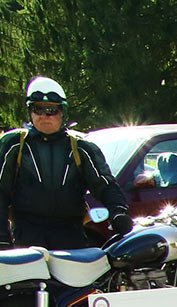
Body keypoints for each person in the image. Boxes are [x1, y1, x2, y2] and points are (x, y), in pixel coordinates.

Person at [0, 76, 130, 250]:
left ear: (62, 112)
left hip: (71, 238)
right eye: (38, 109)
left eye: (51, 110)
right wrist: (2, 237)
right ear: (30, 112)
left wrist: (118, 211)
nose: (44, 115)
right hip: (26, 238)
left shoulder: (81, 147)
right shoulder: (14, 144)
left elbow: (105, 185)